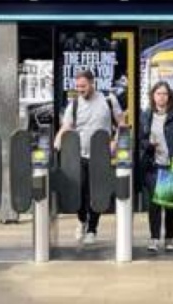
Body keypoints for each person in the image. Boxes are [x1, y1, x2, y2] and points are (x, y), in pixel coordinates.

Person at [55, 70, 124, 246]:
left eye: (83, 86)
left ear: (92, 83)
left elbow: (122, 124)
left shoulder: (108, 100)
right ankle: (81, 220)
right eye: (78, 86)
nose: (80, 90)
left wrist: (115, 142)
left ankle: (92, 229)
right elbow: (67, 126)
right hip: (79, 155)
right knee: (79, 190)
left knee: (96, 193)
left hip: (101, 155)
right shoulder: (74, 104)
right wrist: (57, 141)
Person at [139, 81, 173, 253]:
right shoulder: (146, 115)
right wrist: (148, 145)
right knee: (154, 203)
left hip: (171, 165)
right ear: (153, 96)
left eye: (165, 94)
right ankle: (154, 238)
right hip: (153, 165)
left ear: (169, 97)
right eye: (158, 93)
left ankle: (169, 238)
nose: (161, 97)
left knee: (170, 204)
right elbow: (140, 138)